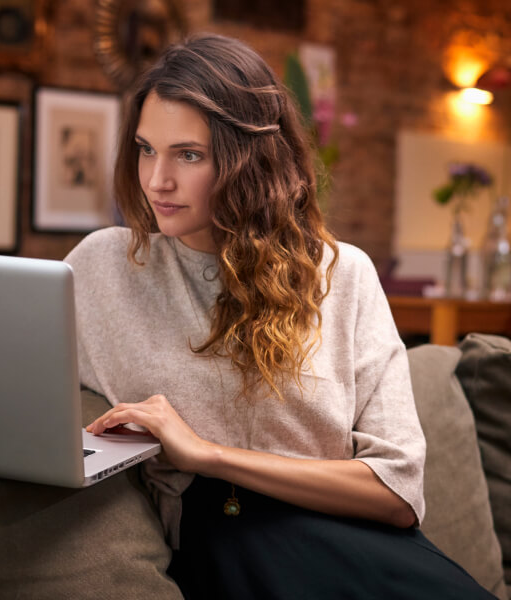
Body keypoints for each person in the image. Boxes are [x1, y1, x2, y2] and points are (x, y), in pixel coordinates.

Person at [64, 34, 495, 599]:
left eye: (188, 155)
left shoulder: (343, 275)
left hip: (366, 550)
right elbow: (5, 382)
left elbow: (397, 492)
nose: (157, 180)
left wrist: (208, 455)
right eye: (147, 149)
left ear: (249, 160)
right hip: (229, 546)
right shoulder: (103, 270)